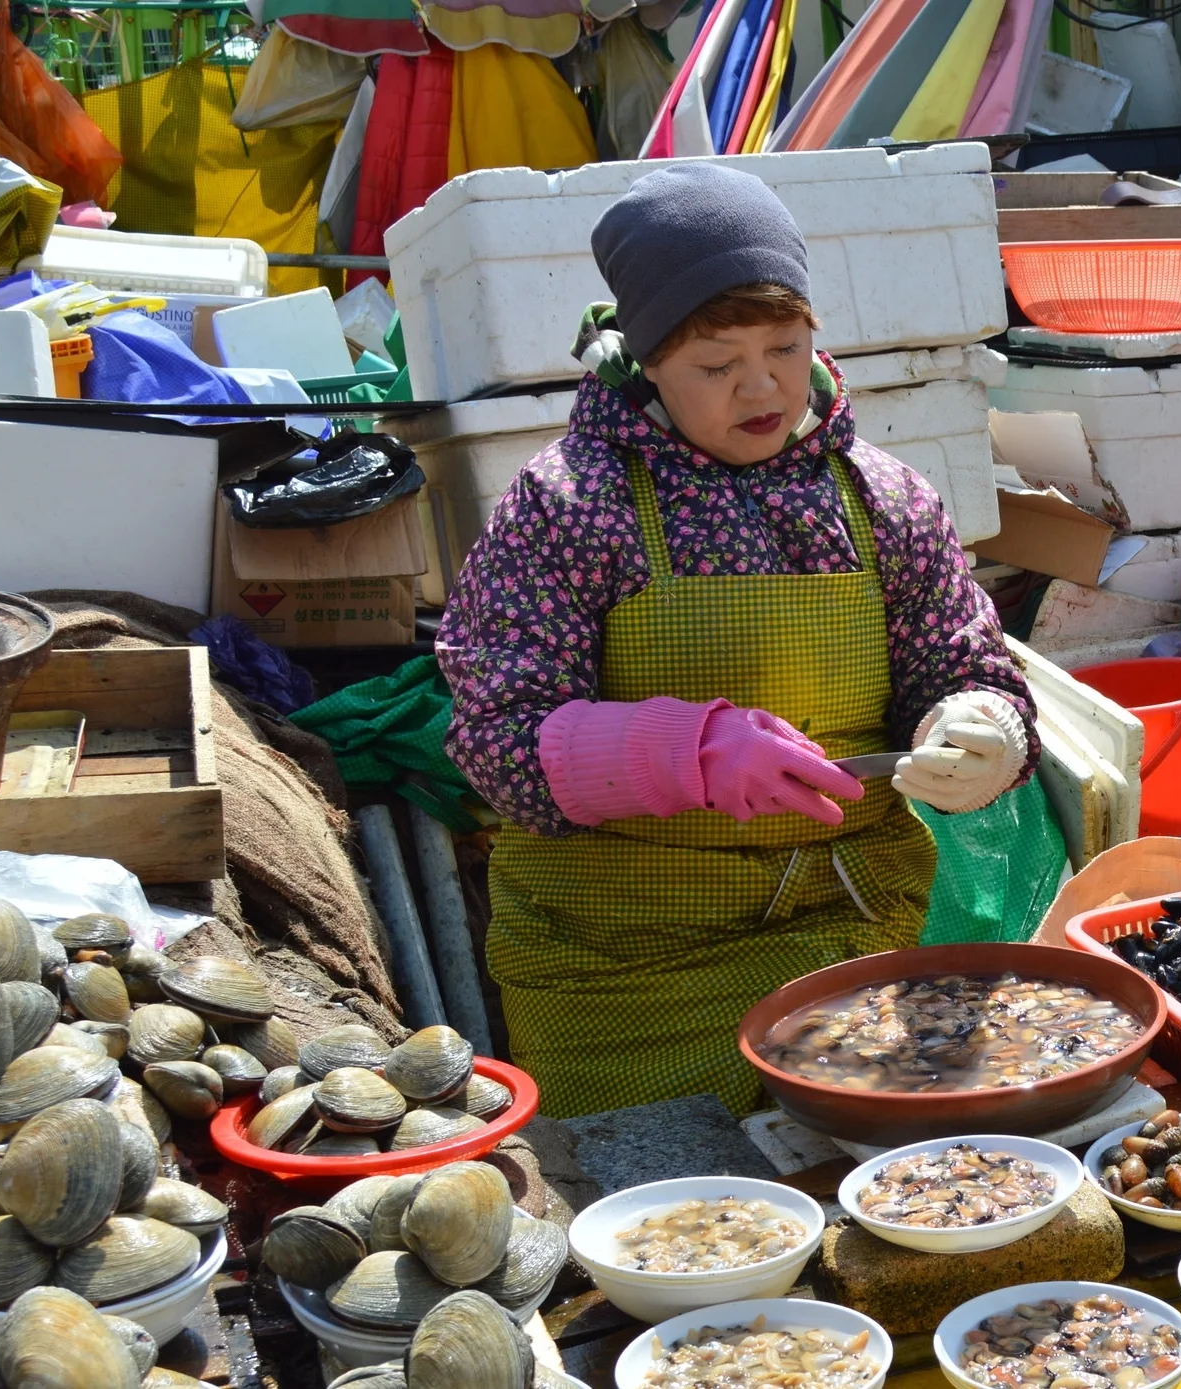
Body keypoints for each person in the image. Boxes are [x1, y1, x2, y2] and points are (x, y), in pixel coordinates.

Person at [437, 163, 1038, 1118]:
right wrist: (686, 751)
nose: (761, 386)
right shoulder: (568, 507)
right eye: (716, 365)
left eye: (787, 348)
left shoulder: (882, 498)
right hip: (624, 970)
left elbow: (961, 660)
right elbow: (497, 740)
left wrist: (986, 726)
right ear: (642, 360)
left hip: (852, 937)